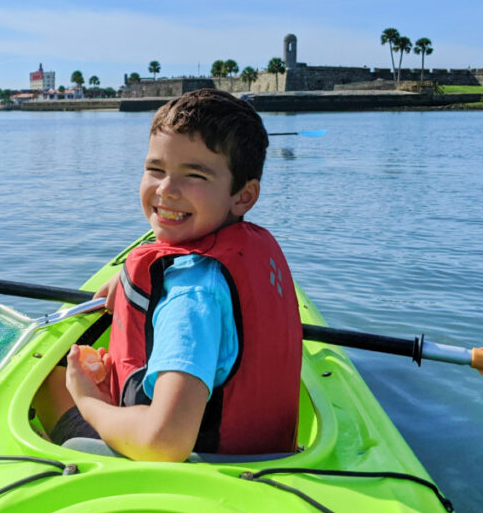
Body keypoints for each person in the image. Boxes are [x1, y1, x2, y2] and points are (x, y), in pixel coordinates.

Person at [34, 89, 302, 461]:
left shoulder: (192, 294)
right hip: (264, 463)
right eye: (155, 169)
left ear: (243, 196)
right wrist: (128, 287)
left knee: (49, 381)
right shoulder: (247, 247)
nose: (166, 190)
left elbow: (165, 442)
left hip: (196, 475)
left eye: (194, 175)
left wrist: (88, 400)